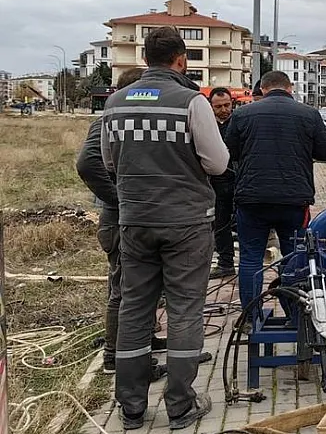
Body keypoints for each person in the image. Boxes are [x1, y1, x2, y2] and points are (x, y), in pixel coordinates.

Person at [101, 26, 229, 430]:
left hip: (135, 221)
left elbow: (108, 161)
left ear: (145, 59)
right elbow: (217, 163)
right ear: (181, 60)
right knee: (185, 309)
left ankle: (132, 408)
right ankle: (180, 405)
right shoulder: (191, 101)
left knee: (135, 308)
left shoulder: (116, 102)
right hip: (186, 222)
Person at [75, 68, 169, 377]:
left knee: (142, 288)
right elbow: (87, 162)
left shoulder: (129, 121)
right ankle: (115, 356)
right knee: (124, 290)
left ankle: (144, 342)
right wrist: (120, 198)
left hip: (133, 216)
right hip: (119, 219)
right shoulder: (108, 121)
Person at [223, 70, 326, 317]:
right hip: (294, 199)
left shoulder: (241, 114)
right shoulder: (308, 114)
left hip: (252, 198)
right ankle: (296, 315)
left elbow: (230, 152)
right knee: (294, 256)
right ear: (290, 88)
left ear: (262, 89)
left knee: (251, 258)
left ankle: (251, 316)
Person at [208, 87, 237, 278]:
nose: (223, 110)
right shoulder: (207, 125)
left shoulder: (239, 122)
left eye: (227, 105)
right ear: (211, 107)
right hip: (216, 183)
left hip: (238, 179)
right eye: (218, 106)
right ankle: (225, 262)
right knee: (220, 224)